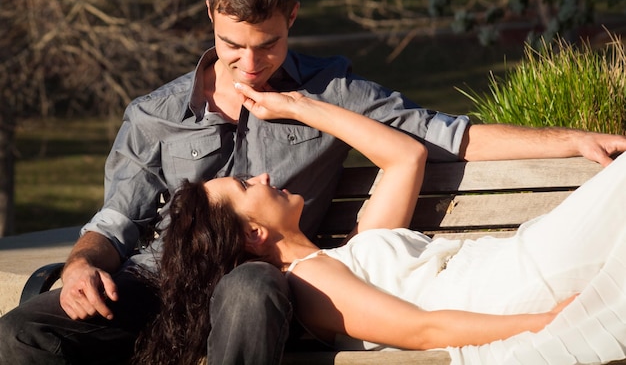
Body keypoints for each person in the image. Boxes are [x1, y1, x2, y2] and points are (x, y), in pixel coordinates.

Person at [1, 0, 625, 365]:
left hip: (254, 282)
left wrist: (568, 140)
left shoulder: (331, 92)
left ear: (293, 17)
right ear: (212, 15)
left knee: (249, 290)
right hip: (150, 280)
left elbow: (436, 134)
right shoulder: (154, 114)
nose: (250, 64)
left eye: (268, 44)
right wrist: (82, 264)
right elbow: (115, 219)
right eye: (232, 46)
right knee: (19, 332)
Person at [135, 82, 626, 365]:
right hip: (511, 288)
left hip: (516, 264)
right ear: (254, 234)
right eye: (247, 186)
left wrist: (298, 106)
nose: (263, 175)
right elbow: (423, 329)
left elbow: (404, 155)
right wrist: (544, 323)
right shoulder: (310, 283)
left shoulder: (347, 253)